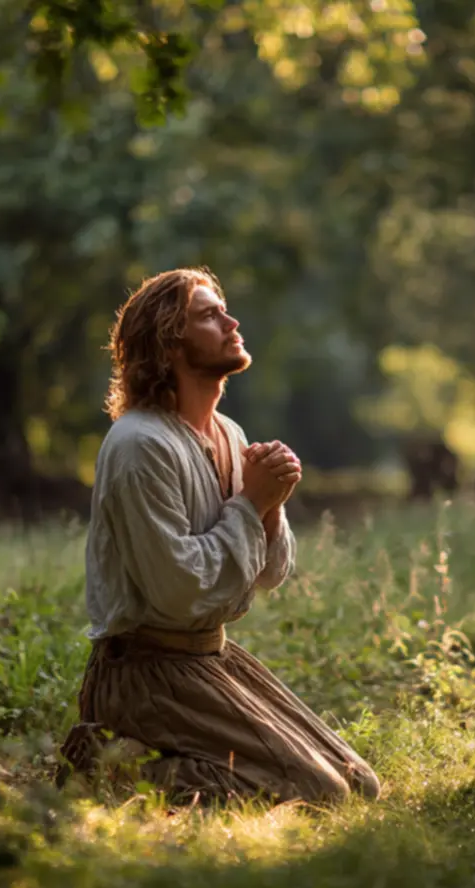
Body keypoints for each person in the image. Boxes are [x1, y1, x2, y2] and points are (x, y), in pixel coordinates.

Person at [55, 267, 381, 807]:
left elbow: (272, 572)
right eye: (209, 315)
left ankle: (144, 763)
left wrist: (270, 505)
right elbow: (179, 591)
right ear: (168, 344)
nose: (231, 322)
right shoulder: (139, 444)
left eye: (223, 309)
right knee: (321, 795)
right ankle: (107, 768)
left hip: (210, 657)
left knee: (359, 783)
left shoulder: (229, 433)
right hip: (145, 675)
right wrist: (252, 502)